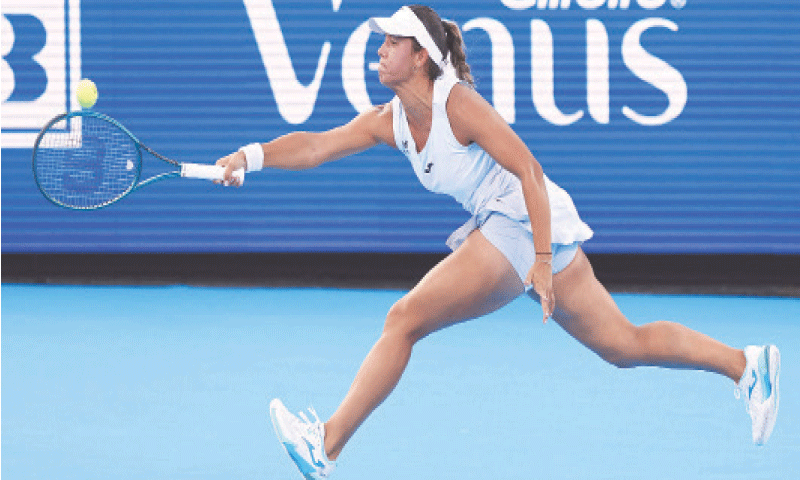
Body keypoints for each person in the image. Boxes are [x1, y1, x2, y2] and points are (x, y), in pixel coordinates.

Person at [216, 5, 780, 479]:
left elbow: (529, 170)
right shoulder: (390, 121)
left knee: (405, 319)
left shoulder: (456, 104)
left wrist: (537, 260)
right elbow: (316, 145)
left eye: (393, 41)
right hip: (527, 223)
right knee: (623, 345)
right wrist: (250, 157)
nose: (380, 49)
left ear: (421, 57)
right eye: (382, 41)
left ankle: (327, 444)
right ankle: (745, 365)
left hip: (523, 219)